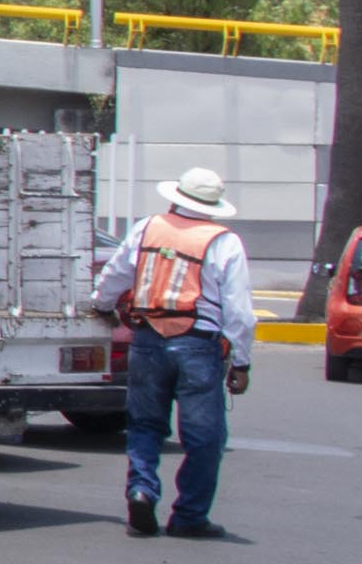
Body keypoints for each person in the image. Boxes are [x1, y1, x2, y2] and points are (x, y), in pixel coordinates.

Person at [91, 166, 255, 538]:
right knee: (203, 436)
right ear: (213, 207)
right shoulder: (224, 241)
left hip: (148, 340)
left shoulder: (148, 227)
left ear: (174, 199)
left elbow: (116, 275)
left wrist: (101, 305)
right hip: (198, 345)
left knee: (145, 425)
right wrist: (241, 362)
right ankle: (190, 516)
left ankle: (141, 490)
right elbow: (240, 313)